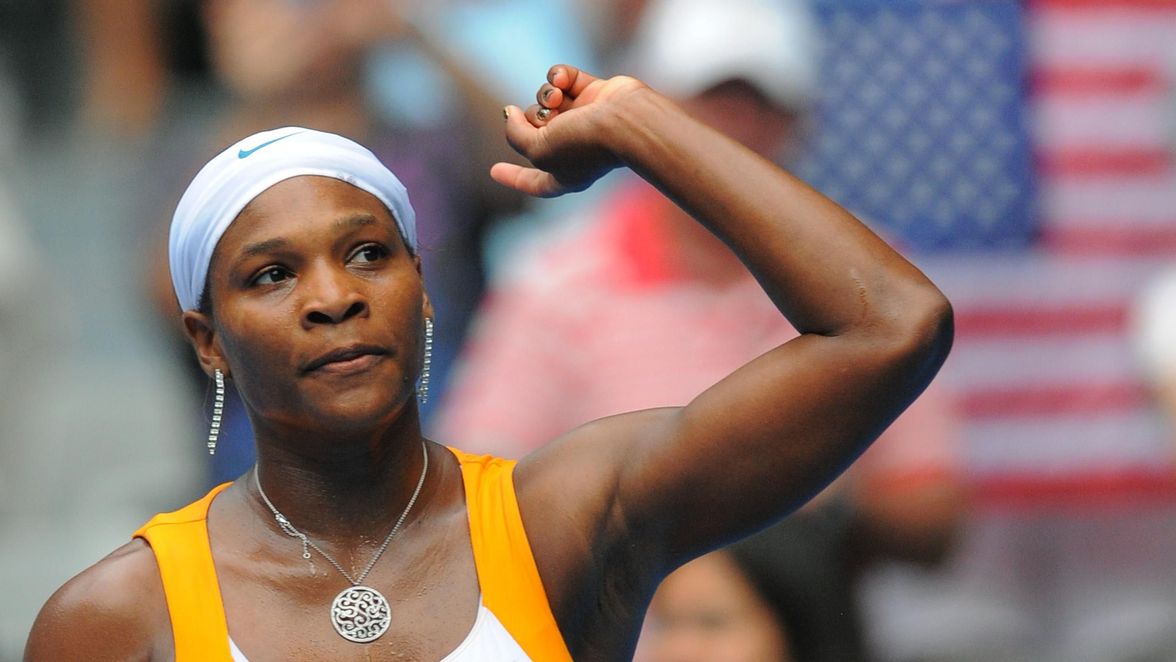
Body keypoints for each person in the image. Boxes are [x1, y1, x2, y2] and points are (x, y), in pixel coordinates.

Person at [25, 64, 952, 660]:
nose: (333, 297)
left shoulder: (561, 521)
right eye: (272, 274)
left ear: (423, 289)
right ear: (207, 339)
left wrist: (638, 125)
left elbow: (891, 324)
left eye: (368, 254)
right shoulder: (119, 617)